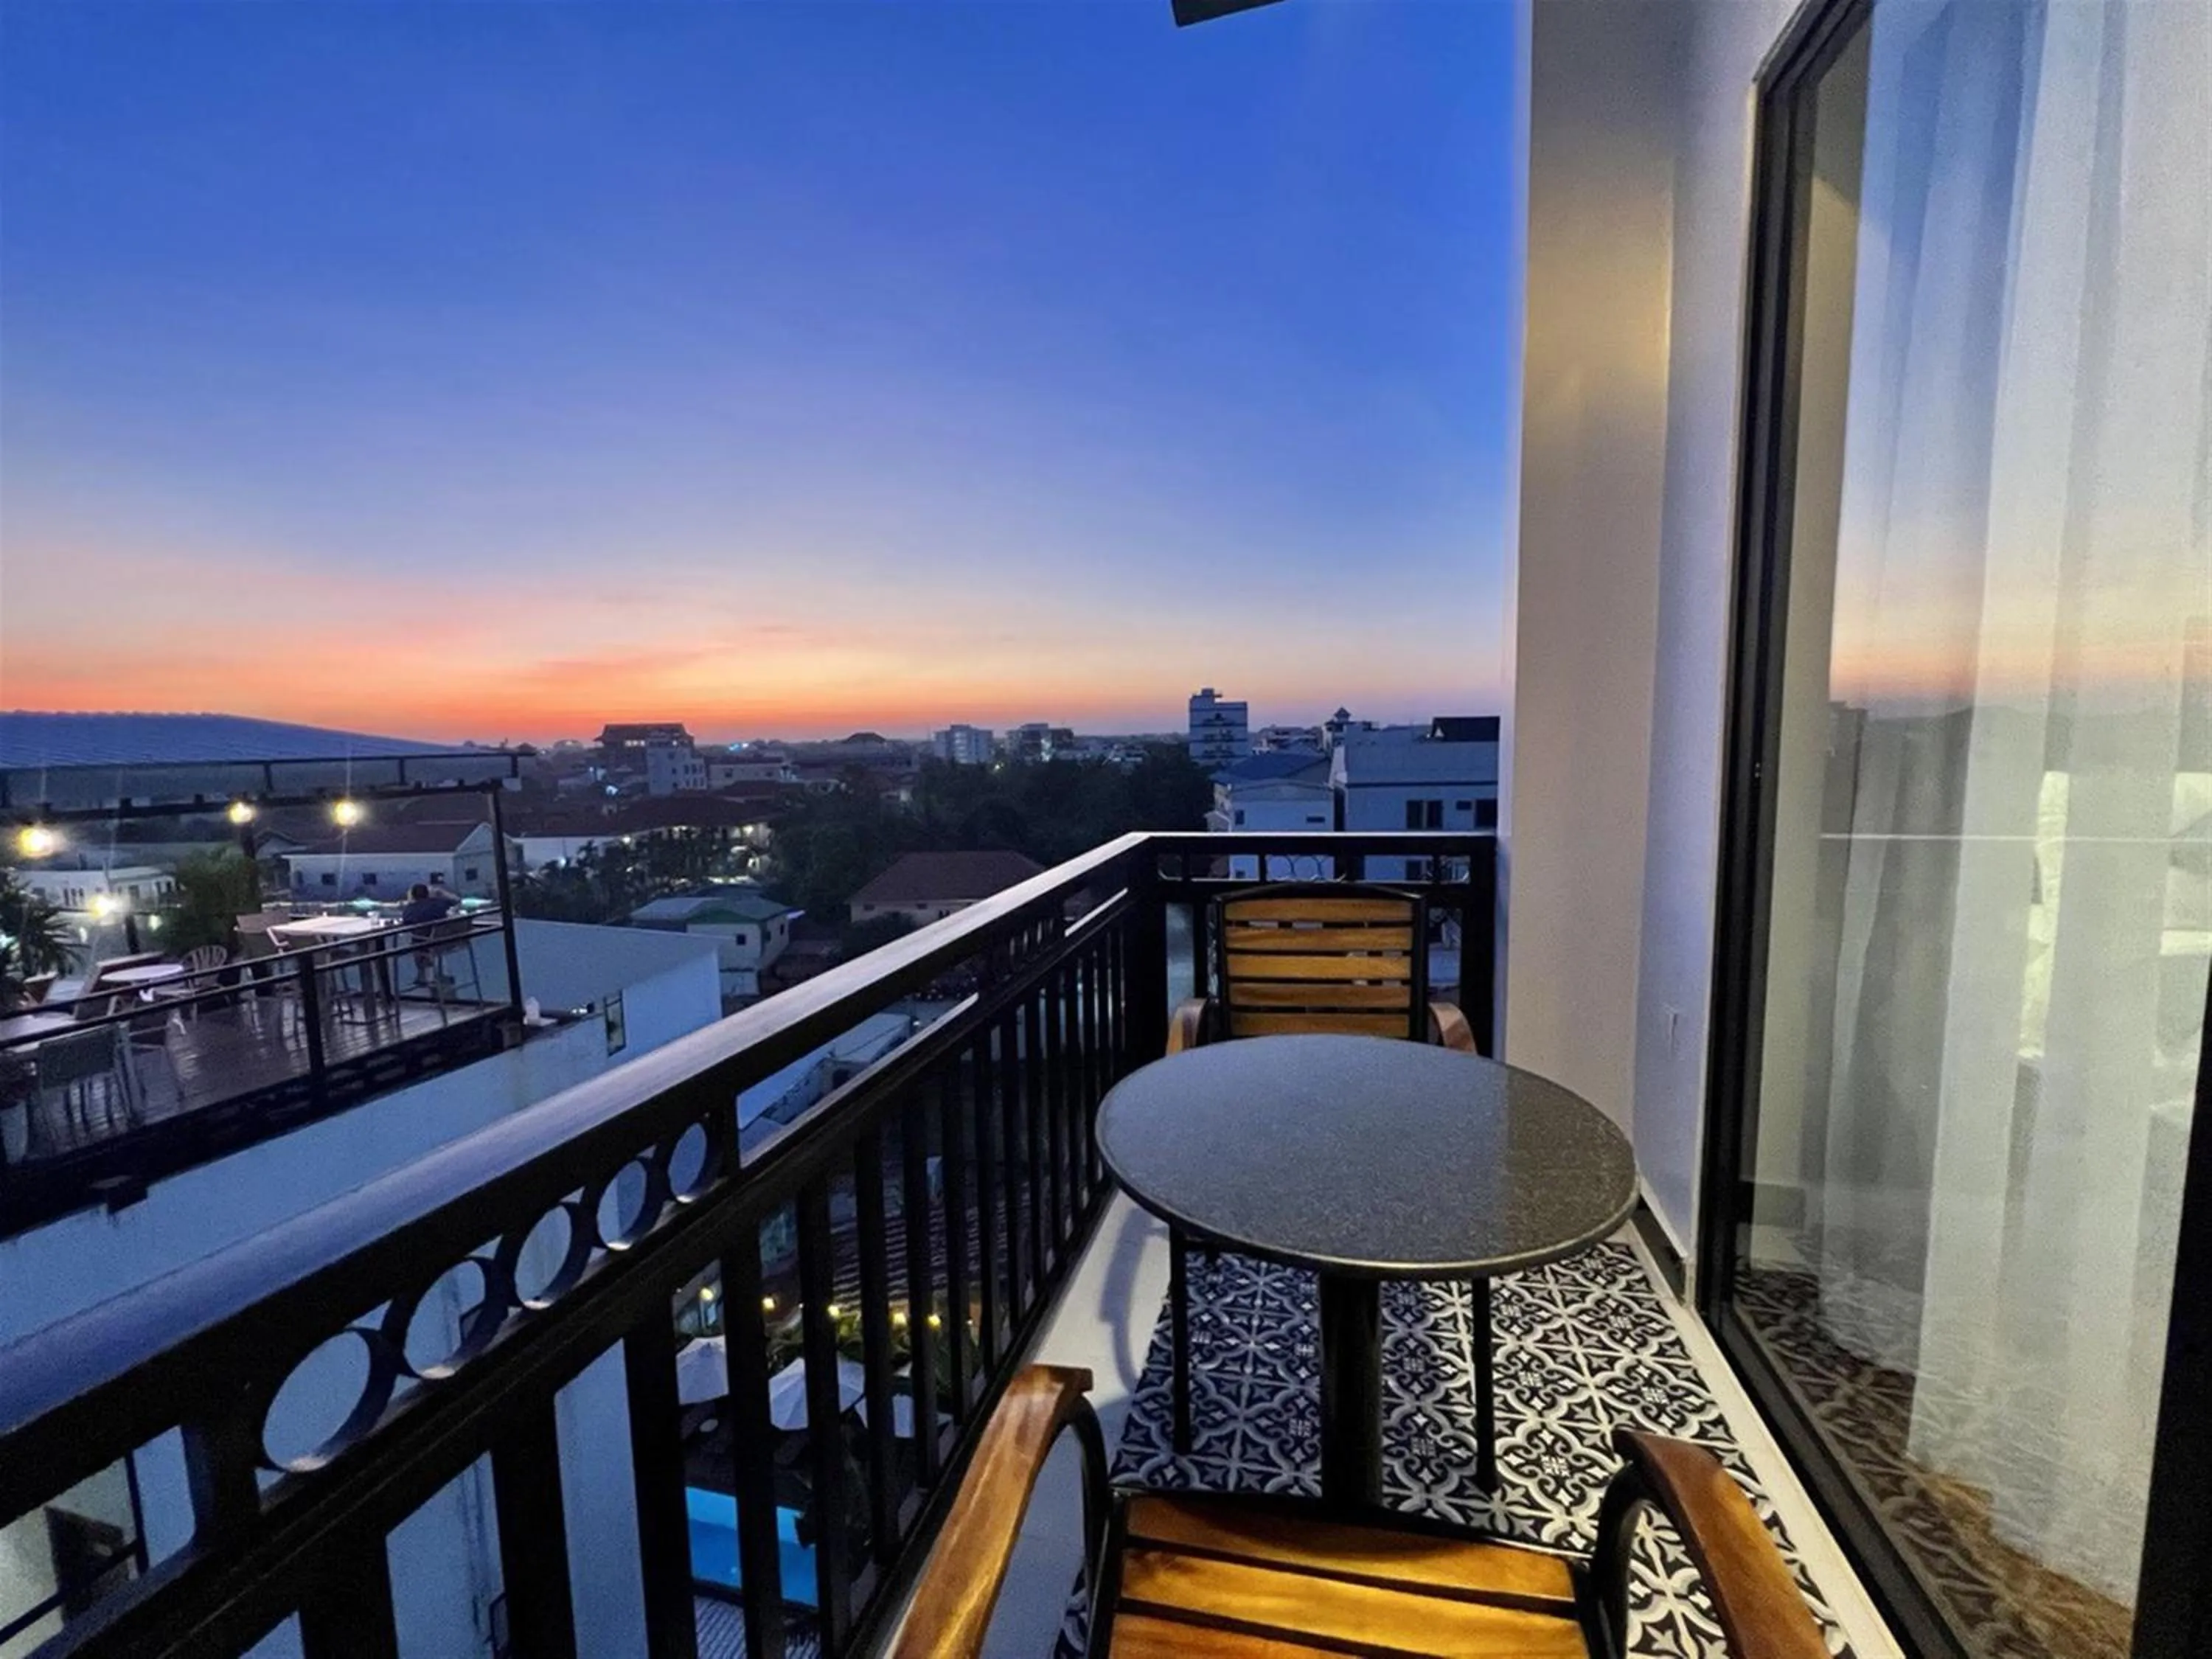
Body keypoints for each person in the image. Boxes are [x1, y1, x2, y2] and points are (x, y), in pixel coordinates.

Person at [402, 881, 461, 989]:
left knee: (415, 940)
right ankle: (437, 974)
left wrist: (410, 902)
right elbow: (457, 900)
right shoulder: (439, 903)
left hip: (426, 944)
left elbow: (406, 923)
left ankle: (422, 975)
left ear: (413, 895)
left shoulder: (411, 909)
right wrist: (440, 892)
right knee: (426, 941)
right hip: (447, 942)